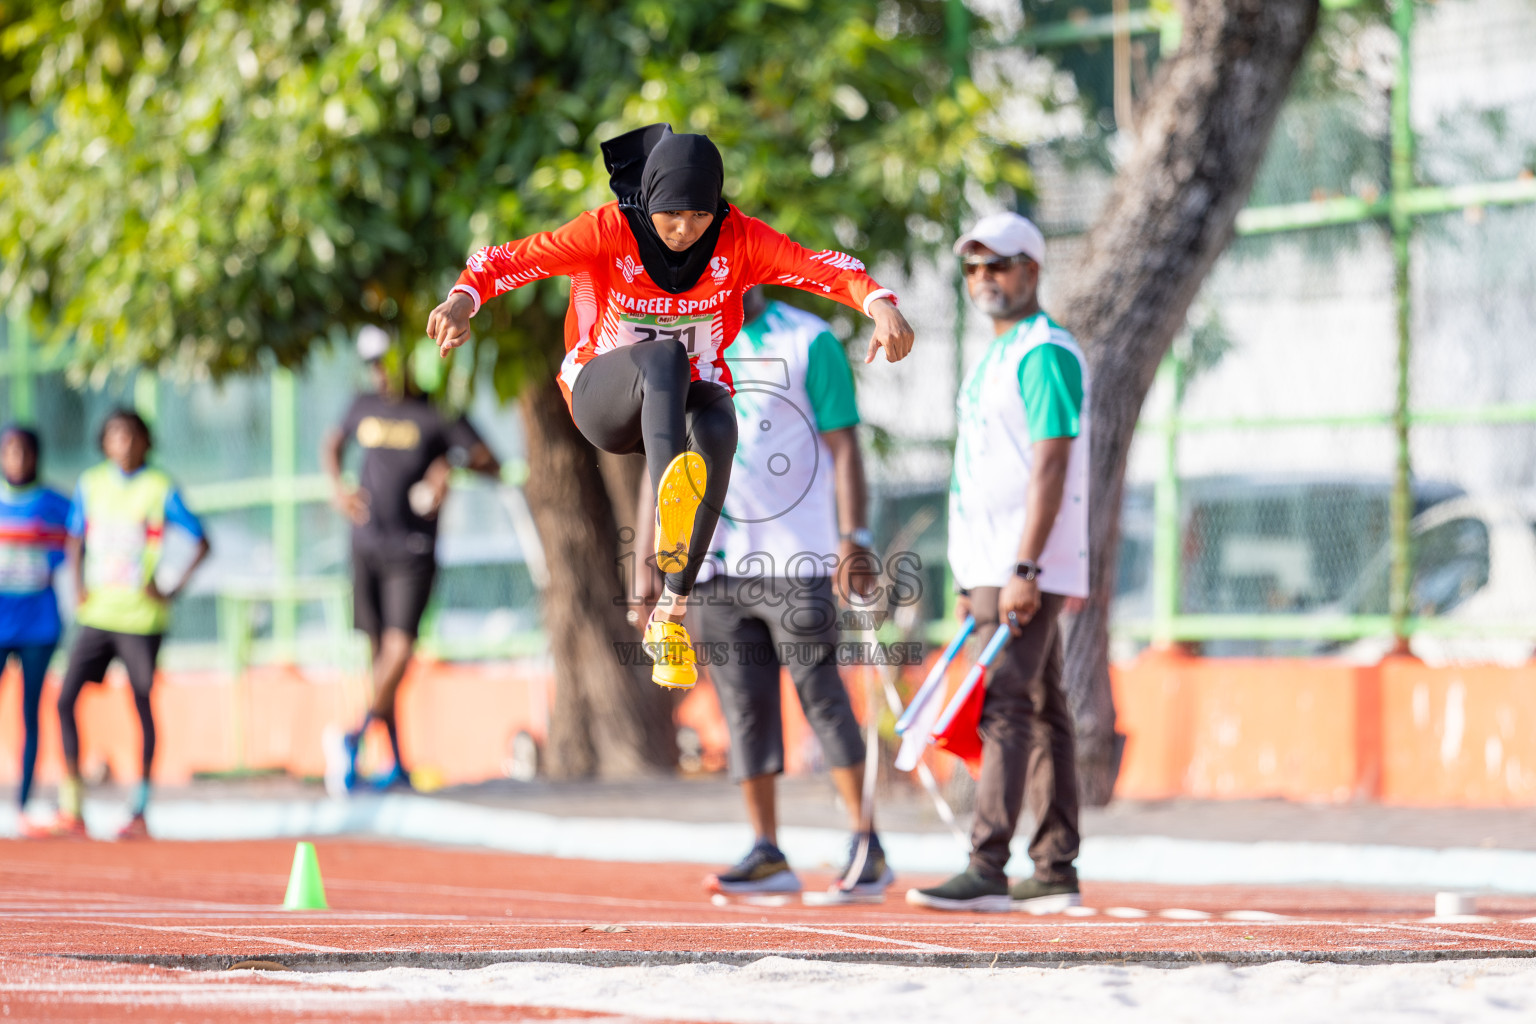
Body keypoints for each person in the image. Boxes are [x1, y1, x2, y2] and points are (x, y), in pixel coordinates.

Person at [426, 123, 914, 691]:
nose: (685, 231)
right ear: (650, 201)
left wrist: (880, 304)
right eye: (671, 217)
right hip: (602, 398)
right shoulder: (608, 231)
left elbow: (822, 267)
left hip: (676, 405)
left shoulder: (739, 240)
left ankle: (672, 611)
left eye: (700, 217)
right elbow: (509, 259)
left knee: (718, 421)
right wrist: (463, 299)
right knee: (664, 358)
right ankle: (670, 500)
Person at [638, 286, 889, 898]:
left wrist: (853, 538)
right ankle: (767, 849)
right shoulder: (682, 346)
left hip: (796, 560)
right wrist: (654, 561)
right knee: (743, 709)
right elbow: (663, 461)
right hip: (715, 565)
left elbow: (844, 444)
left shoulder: (809, 340)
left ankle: (867, 843)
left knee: (821, 696)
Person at [906, 212, 1090, 914]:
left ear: (1032, 271)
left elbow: (1051, 464)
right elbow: (981, 473)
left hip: (1025, 564)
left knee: (1005, 705)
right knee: (1042, 709)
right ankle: (1053, 867)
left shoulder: (1045, 351)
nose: (986, 278)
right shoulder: (999, 356)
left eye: (1001, 264)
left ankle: (987, 866)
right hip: (992, 566)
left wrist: (1025, 568)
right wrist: (968, 577)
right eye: (975, 266)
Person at [322, 326, 501, 795]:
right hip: (366, 544)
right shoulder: (362, 405)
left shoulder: (437, 411)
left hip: (413, 550)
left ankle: (352, 738)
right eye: (373, 364)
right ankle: (396, 763)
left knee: (398, 653)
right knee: (380, 657)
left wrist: (449, 466)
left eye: (385, 361)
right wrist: (337, 489)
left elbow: (490, 461)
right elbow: (331, 444)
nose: (379, 371)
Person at [52, 409, 211, 839]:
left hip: (141, 619)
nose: (122, 443)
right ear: (104, 442)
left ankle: (139, 807)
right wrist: (77, 584)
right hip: (97, 614)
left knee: (141, 702)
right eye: (114, 435)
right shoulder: (90, 484)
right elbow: (75, 537)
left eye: (131, 435)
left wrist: (171, 587)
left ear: (145, 441)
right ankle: (73, 805)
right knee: (65, 700)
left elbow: (201, 539)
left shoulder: (159, 488)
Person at [0, 426, 71, 837]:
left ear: (36, 456)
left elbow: (80, 543)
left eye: (24, 451)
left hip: (39, 625)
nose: (17, 459)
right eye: (9, 451)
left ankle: (22, 804)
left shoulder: (54, 504)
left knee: (30, 713)